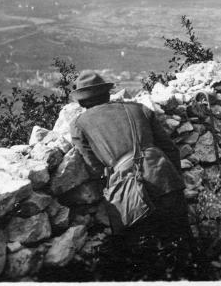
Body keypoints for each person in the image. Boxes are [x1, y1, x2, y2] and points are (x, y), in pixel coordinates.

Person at [69, 71, 200, 278]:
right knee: (182, 241)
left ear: (82, 102)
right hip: (164, 178)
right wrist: (174, 179)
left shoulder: (79, 124)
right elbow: (171, 149)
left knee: (144, 255)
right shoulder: (139, 109)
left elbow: (94, 168)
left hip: (128, 192)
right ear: (107, 93)